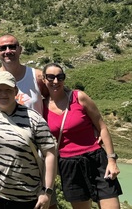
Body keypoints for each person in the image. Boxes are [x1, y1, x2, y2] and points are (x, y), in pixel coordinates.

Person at [0, 70, 57, 209]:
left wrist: (47, 191)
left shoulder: (34, 118)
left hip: (30, 199)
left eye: (8, 90)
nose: (3, 94)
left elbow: (50, 153)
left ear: (15, 90)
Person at [41, 63, 123, 209]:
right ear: (43, 79)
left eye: (60, 77)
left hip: (96, 160)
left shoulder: (78, 97)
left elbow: (102, 126)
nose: (55, 81)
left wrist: (111, 160)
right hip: (69, 165)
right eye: (51, 77)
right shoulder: (41, 107)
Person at [0, 34, 48, 113]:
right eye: (3, 48)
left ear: (20, 49)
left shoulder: (36, 76)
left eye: (12, 47)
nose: (8, 51)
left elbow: (56, 101)